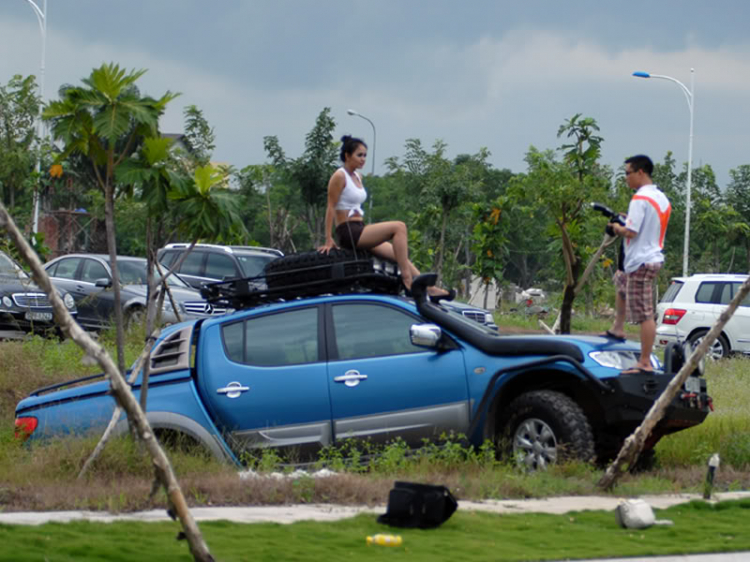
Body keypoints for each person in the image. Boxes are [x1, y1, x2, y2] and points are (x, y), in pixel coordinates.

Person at [318, 135, 455, 302]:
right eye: (359, 155)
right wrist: (328, 238)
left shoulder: (358, 177)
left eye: (365, 155)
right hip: (348, 232)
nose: (363, 159)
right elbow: (330, 206)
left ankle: (431, 289)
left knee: (399, 255)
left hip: (360, 228)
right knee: (399, 227)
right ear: (347, 155)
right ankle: (407, 281)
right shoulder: (339, 176)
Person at [605, 155, 671, 374]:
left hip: (640, 261)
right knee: (621, 282)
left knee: (644, 313)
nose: (626, 178)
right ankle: (617, 328)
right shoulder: (660, 198)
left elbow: (632, 231)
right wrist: (626, 218)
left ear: (640, 172)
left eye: (628, 173)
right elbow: (645, 223)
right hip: (649, 256)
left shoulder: (640, 199)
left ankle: (644, 362)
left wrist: (616, 227)